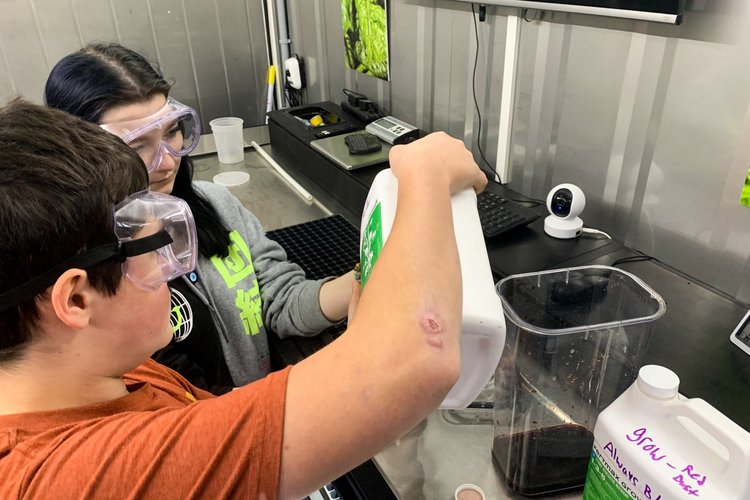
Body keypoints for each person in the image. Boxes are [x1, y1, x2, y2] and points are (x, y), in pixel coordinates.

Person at [0, 99, 485, 498]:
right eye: (156, 251)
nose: (175, 270)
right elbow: (421, 353)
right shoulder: (79, 477)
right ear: (77, 299)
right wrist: (426, 176)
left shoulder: (104, 373)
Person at [44, 43, 355, 394]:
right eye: (135, 147)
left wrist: (361, 282)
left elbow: (280, 299)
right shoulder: (91, 275)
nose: (166, 162)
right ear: (79, 156)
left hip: (253, 410)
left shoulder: (215, 203)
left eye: (171, 131)